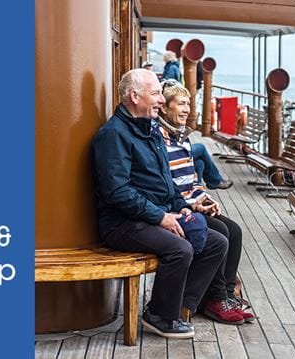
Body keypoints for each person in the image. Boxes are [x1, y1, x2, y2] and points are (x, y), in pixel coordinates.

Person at [91, 69, 229, 339]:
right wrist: (160, 217)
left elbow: (166, 182)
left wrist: (183, 206)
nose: (161, 101)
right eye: (155, 94)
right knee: (181, 249)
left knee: (217, 242)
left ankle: (178, 308)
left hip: (151, 214)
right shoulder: (114, 135)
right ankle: (159, 316)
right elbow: (116, 192)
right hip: (122, 223)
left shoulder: (150, 128)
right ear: (134, 96)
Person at [158, 80, 254, 325]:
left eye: (188, 104)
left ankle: (224, 295)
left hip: (191, 202)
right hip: (174, 208)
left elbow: (191, 181)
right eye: (180, 104)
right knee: (220, 231)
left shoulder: (182, 140)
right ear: (164, 108)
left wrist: (206, 200)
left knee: (235, 230)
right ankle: (216, 297)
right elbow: (171, 185)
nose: (186, 109)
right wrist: (193, 206)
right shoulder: (160, 141)